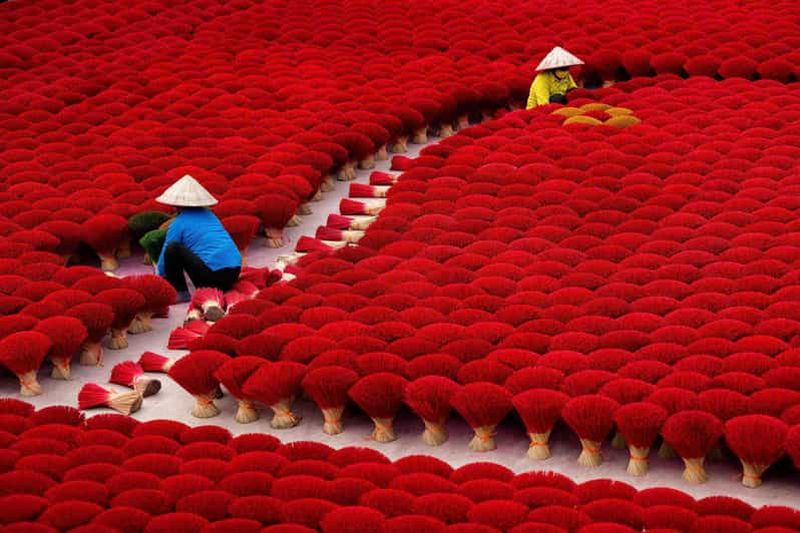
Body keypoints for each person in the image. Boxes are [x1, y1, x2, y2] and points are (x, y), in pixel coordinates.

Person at [155, 174, 242, 304]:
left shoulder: (178, 223)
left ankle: (180, 291)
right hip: (234, 273)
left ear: (176, 206)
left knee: (172, 248)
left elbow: (165, 255)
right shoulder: (210, 216)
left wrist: (158, 278)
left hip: (212, 279)